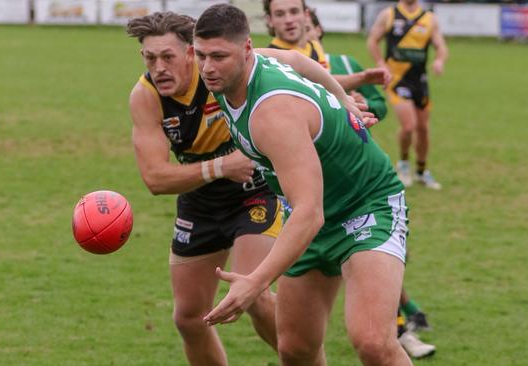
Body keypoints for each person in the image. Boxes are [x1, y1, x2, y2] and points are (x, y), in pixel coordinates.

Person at [126, 11, 371, 365]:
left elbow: (296, 60)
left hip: (254, 190)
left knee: (255, 295)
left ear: (191, 53)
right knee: (189, 317)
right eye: (150, 59)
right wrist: (220, 166)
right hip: (200, 201)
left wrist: (343, 98)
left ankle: (305, 360)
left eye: (168, 57)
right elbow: (155, 178)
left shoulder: (220, 67)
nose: (159, 67)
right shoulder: (146, 95)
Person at [194, 4, 412, 365]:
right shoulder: (231, 69)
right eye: (201, 55)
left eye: (219, 56)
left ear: (245, 49)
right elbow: (295, 58)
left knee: (373, 342)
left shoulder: (273, 113)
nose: (207, 67)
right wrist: (343, 98)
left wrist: (256, 281)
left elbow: (310, 213)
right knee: (295, 349)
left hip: (365, 206)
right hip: (314, 214)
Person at [307, 8, 435, 359]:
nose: (297, 25)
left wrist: (362, 107)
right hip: (306, 196)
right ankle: (408, 317)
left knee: (374, 273)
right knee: (294, 346)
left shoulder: (344, 64)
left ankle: (403, 327)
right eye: (284, 15)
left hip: (360, 186)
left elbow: (376, 105)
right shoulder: (273, 73)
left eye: (305, 20)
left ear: (318, 27)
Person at [367, 0, 448, 189]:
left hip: (419, 81)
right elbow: (372, 40)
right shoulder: (389, 15)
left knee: (423, 128)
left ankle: (421, 171)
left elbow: (441, 46)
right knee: (409, 126)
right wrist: (380, 62)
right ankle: (403, 164)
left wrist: (439, 61)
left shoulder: (429, 19)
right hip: (397, 80)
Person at [264, 0, 388, 90]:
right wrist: (361, 78)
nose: (289, 20)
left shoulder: (314, 46)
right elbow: (315, 84)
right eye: (280, 14)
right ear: (269, 20)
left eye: (294, 11)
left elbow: (324, 84)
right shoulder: (270, 59)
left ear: (306, 15)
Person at [305, 8, 387, 121]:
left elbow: (381, 106)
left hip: (353, 137)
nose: (303, 36)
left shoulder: (346, 63)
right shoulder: (287, 70)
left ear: (318, 30)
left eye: (307, 29)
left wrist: (364, 102)